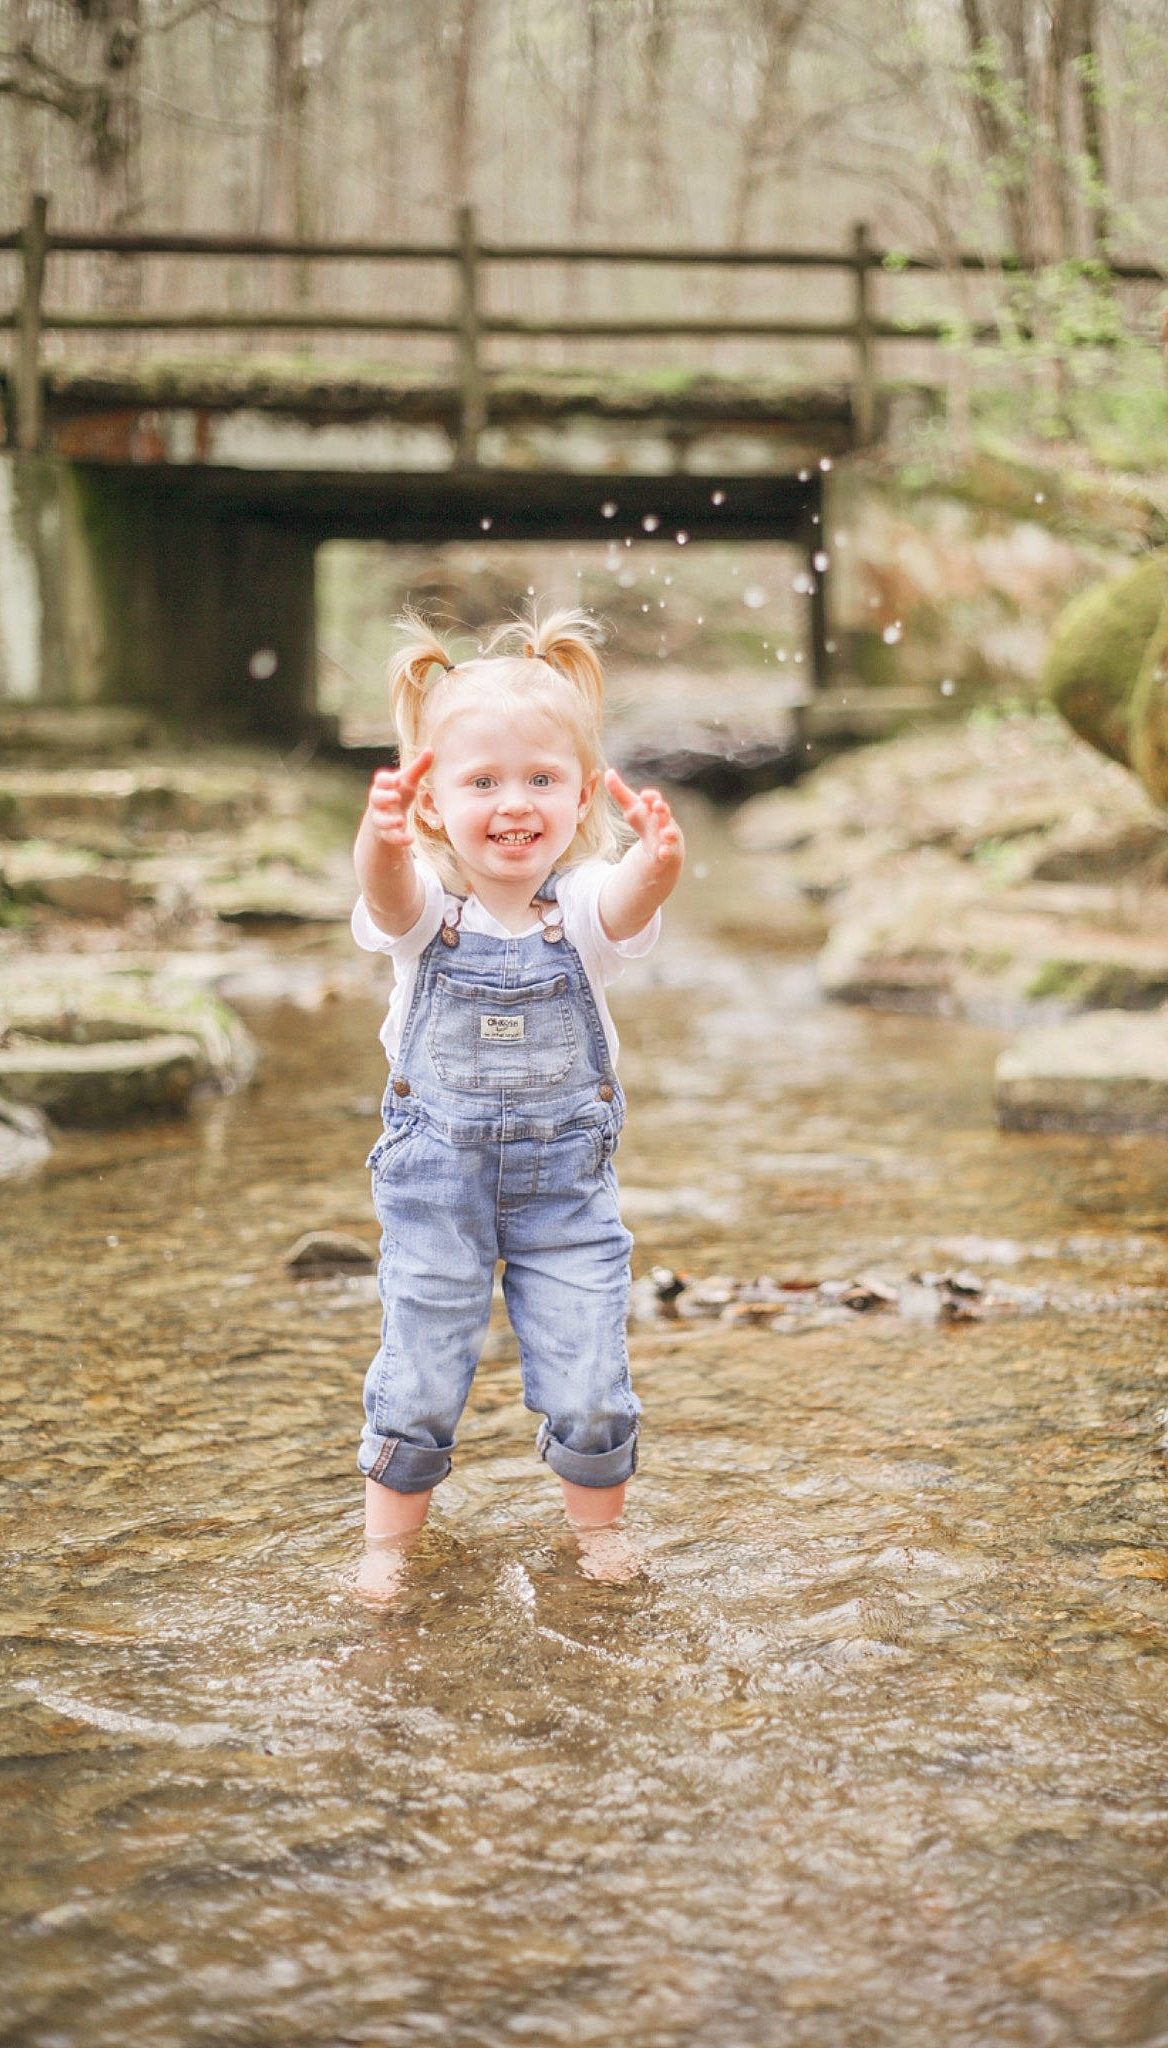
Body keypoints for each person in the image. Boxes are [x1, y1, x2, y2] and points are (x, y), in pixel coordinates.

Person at [349, 606, 684, 1595]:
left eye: (541, 779)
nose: (514, 803)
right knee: (417, 1373)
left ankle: (598, 1534)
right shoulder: (426, 911)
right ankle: (386, 1549)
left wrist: (656, 867)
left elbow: (624, 906)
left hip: (566, 1195)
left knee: (590, 1381)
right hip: (434, 1191)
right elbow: (385, 897)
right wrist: (374, 840)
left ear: (582, 796)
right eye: (482, 780)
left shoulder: (580, 905)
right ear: (432, 803)